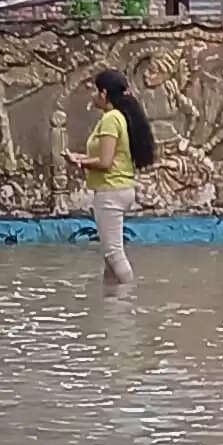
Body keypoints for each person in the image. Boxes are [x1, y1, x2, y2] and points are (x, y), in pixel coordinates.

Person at [61, 67, 156, 286]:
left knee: (114, 253)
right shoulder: (118, 117)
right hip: (120, 188)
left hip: (111, 190)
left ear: (104, 93)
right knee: (109, 257)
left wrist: (79, 161)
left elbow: (105, 162)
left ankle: (129, 298)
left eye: (95, 91)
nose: (92, 96)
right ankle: (112, 303)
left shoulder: (111, 119)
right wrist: (82, 158)